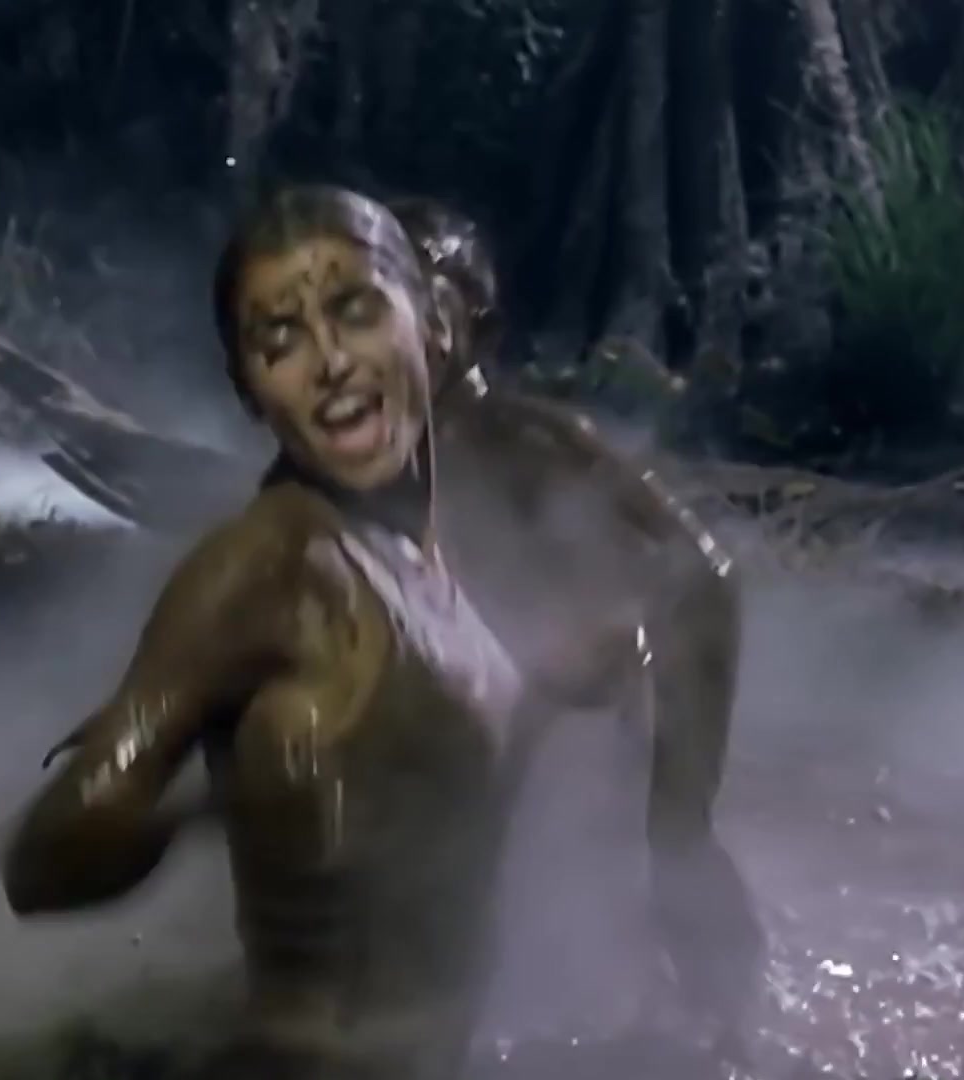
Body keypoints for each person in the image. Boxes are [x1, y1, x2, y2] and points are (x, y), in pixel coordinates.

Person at [0, 185, 527, 1080]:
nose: (330, 362)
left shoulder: (422, 562)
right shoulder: (278, 563)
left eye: (355, 311)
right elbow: (44, 860)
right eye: (279, 341)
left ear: (435, 326)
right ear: (251, 392)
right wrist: (206, 805)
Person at [388, 197, 766, 1053]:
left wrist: (681, 797)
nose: (403, 324)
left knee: (653, 891)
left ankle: (729, 1037)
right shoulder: (397, 449)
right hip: (525, 722)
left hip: (601, 712)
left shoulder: (520, 438)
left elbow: (705, 572)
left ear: (473, 324)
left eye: (425, 300)